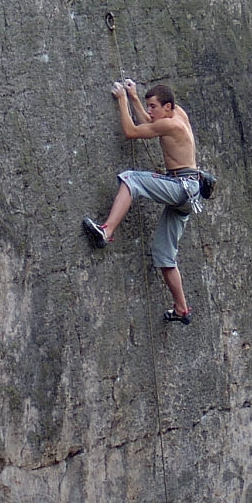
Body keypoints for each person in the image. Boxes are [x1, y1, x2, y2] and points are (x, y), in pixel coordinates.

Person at [83, 80, 202, 325]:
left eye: (153, 107)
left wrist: (123, 101)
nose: (150, 112)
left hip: (181, 187)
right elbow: (151, 123)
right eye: (148, 107)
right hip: (189, 194)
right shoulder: (177, 114)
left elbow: (132, 132)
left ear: (167, 107)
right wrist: (136, 98)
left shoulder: (171, 124)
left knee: (131, 179)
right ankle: (181, 308)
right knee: (164, 254)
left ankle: (106, 231)